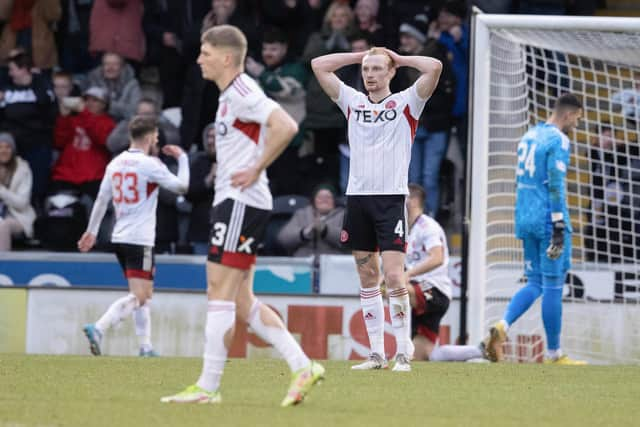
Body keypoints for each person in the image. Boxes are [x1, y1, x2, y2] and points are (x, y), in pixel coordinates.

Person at [161, 25, 324, 406]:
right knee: (241, 301)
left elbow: (286, 125)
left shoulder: (244, 90)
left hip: (240, 201)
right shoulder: (229, 96)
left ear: (227, 58)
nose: (199, 59)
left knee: (218, 291)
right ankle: (303, 366)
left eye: (205, 53)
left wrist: (255, 168)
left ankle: (208, 386)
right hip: (238, 201)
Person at [311, 45, 442, 371]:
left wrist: (399, 57)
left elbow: (434, 67)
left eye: (377, 69)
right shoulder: (352, 102)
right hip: (357, 199)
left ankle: (402, 352)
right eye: (366, 70)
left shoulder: (407, 102)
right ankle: (375, 354)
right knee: (368, 276)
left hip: (391, 200)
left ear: (390, 72)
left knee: (395, 276)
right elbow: (319, 65)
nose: (370, 75)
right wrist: (358, 57)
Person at [485, 93, 587, 365]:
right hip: (547, 220)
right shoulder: (558, 140)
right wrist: (557, 224)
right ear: (568, 114)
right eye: (577, 117)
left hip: (525, 217)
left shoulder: (529, 135)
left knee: (534, 282)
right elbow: (555, 184)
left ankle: (503, 325)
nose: (577, 122)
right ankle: (554, 353)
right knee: (553, 285)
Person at [79, 116, 189, 357]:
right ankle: (99, 327)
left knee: (139, 294)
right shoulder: (150, 164)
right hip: (140, 239)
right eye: (157, 138)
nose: (157, 142)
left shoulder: (115, 163)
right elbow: (182, 187)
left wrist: (92, 231)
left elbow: (101, 200)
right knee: (142, 295)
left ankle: (145, 346)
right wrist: (182, 158)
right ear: (150, 137)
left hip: (119, 237)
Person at [399, 183, 485, 362]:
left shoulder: (427, 227)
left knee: (396, 289)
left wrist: (406, 275)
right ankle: (482, 351)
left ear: (413, 201)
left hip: (434, 290)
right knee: (421, 357)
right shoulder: (409, 229)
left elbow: (437, 257)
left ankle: (391, 350)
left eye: (401, 197)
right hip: (422, 292)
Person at [277, 184, 345, 257]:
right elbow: (283, 238)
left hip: (332, 262)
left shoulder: (343, 215)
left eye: (328, 197)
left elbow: (349, 240)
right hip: (303, 263)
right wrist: (303, 234)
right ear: (314, 200)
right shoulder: (301, 214)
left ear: (334, 200)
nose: (324, 200)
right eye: (320, 197)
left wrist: (326, 231)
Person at [0, 132, 36, 251]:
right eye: (0, 147)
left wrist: (2, 191)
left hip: (18, 216)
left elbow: (22, 203)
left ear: (13, 150)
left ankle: (3, 265)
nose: (3, 151)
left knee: (3, 226)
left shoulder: (23, 169)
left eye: (7, 147)